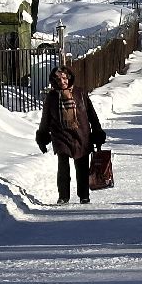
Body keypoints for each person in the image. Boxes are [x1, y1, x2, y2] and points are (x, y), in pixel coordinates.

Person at [35, 65, 105, 204]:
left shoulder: (80, 93)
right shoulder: (52, 97)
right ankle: (63, 196)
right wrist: (42, 136)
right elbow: (46, 118)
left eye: (64, 78)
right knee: (63, 167)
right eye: (58, 79)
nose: (62, 82)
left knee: (82, 167)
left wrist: (97, 131)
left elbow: (91, 114)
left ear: (69, 78)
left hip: (81, 135)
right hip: (61, 136)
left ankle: (84, 195)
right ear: (54, 81)